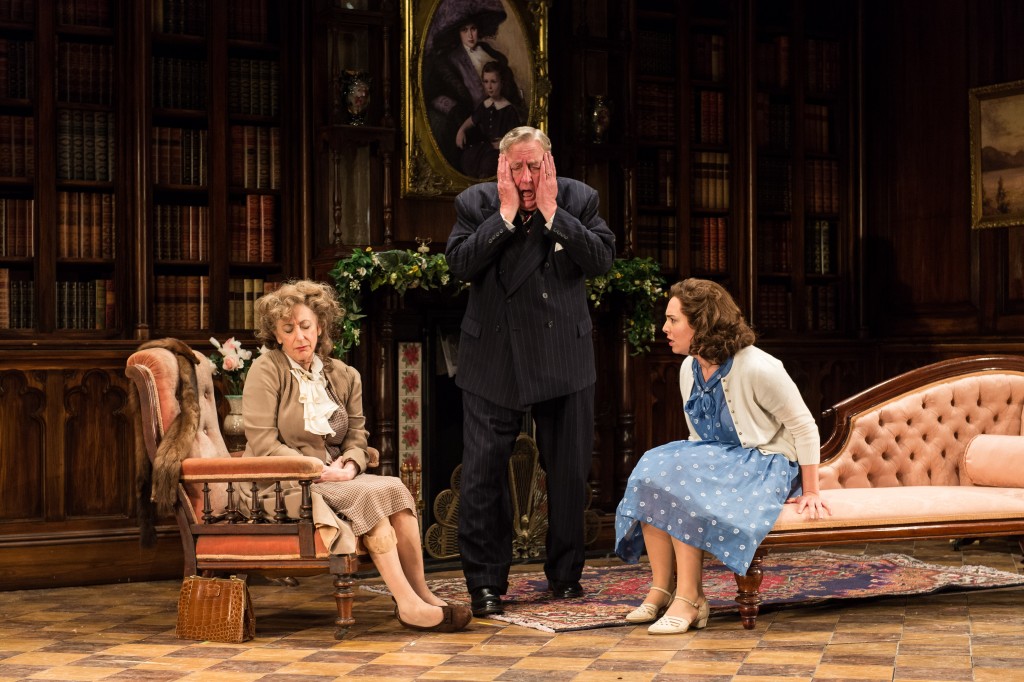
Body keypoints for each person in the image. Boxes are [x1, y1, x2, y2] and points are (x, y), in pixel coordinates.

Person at [445, 126, 616, 617]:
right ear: (501, 167)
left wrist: (551, 214)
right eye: (515, 168)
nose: (525, 177)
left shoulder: (578, 199)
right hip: (492, 357)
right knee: (480, 477)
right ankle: (485, 584)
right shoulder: (475, 204)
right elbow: (458, 266)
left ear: (549, 164)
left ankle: (565, 576)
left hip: (564, 352)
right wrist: (502, 218)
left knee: (566, 473)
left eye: (533, 166)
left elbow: (601, 261)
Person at [243, 280, 472, 633]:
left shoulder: (344, 374)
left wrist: (350, 465)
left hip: (339, 477)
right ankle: (408, 605)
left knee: (395, 488)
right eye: (288, 329)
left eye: (305, 326)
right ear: (276, 334)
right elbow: (262, 441)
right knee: (369, 496)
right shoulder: (266, 370)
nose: (299, 336)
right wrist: (316, 469)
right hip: (288, 481)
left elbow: (357, 436)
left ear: (320, 326)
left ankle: (421, 593)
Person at [615, 278, 832, 634]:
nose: (664, 328)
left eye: (673, 320)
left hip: (764, 462)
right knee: (650, 471)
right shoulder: (689, 368)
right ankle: (661, 589)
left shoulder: (758, 367)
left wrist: (811, 490)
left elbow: (805, 427)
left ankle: (691, 599)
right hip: (721, 460)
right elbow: (698, 436)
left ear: (700, 324)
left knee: (680, 479)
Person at [422, 1, 520, 170]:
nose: (470, 35)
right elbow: (434, 95)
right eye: (464, 30)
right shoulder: (450, 61)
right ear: (457, 33)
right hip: (474, 128)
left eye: (473, 29)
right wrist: (455, 111)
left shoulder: (490, 53)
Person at [456, 61, 523, 178]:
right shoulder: (485, 105)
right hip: (486, 147)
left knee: (488, 165)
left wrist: (503, 143)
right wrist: (461, 130)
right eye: (486, 82)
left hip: (501, 152)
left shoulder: (508, 109)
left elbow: (516, 137)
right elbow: (471, 120)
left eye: (493, 82)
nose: (489, 86)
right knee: (468, 158)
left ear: (502, 83)